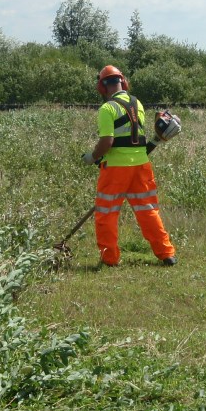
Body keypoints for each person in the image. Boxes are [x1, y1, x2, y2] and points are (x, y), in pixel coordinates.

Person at [81, 65, 178, 267]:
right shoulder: (137, 104)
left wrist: (91, 157)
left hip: (116, 169)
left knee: (107, 213)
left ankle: (110, 258)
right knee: (148, 210)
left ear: (102, 86)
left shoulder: (107, 109)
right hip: (141, 166)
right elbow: (135, 140)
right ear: (122, 82)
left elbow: (107, 141)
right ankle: (166, 253)